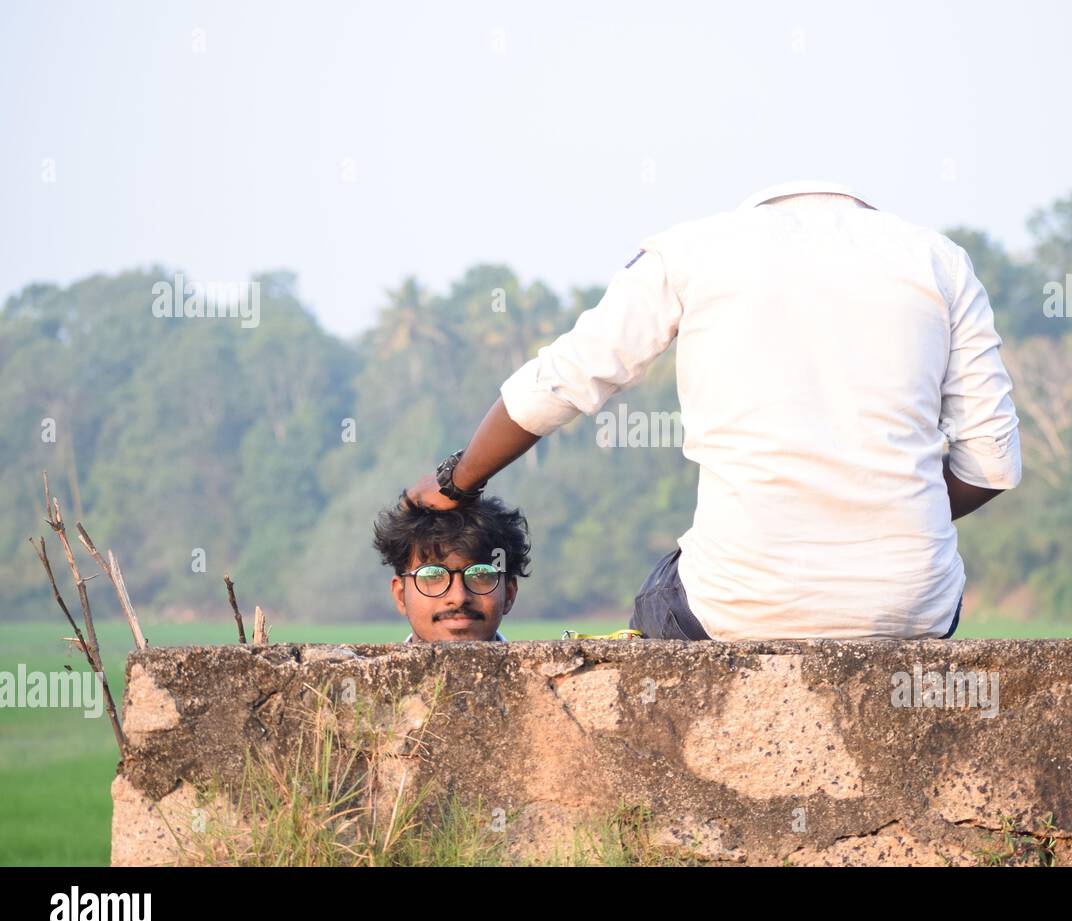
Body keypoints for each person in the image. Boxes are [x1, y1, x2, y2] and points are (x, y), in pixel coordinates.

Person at [406, 179, 1020, 641]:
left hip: (737, 602)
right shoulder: (939, 260)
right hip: (913, 602)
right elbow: (992, 464)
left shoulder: (692, 251)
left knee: (658, 606)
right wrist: (882, 510)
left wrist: (455, 481)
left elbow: (564, 379)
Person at [372, 493, 530, 644]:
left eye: (480, 574)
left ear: (509, 593)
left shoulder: (546, 672)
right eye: (433, 575)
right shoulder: (360, 673)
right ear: (401, 596)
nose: (458, 598)